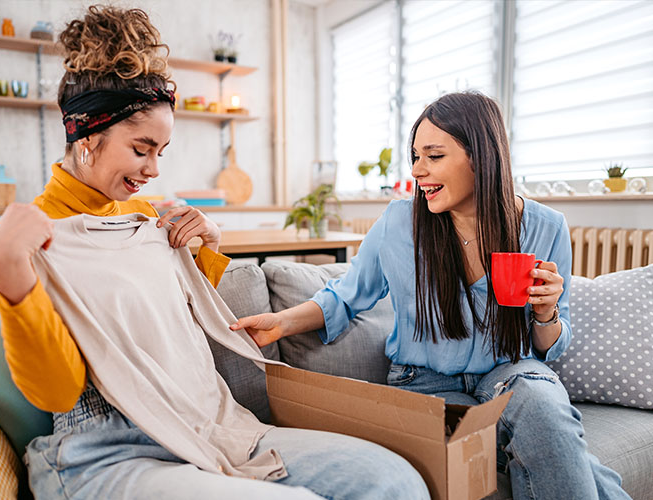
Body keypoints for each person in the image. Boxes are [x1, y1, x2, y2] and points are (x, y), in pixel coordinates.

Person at [0, 6, 430, 500]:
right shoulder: (38, 236)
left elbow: (168, 329)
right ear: (87, 135)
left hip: (206, 423)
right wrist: (10, 278)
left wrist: (208, 250)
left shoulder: (143, 214)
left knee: (395, 481)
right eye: (141, 148)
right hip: (109, 449)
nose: (153, 168)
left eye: (162, 151)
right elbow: (59, 391)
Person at [233, 92, 633, 500]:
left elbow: (551, 347)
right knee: (552, 457)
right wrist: (279, 323)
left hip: (510, 371)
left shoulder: (546, 226)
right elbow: (344, 296)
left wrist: (546, 313)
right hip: (423, 384)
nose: (418, 171)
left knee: (546, 413)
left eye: (434, 156)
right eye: (415, 156)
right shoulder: (399, 223)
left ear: (481, 155)